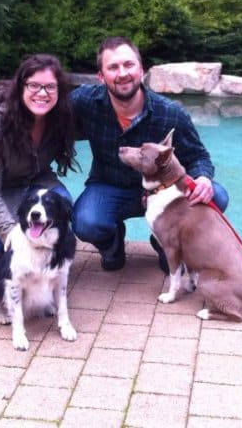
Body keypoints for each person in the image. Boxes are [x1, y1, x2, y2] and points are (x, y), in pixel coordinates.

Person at [71, 36, 229, 272]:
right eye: (113, 67)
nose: (122, 73)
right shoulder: (85, 101)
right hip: (110, 186)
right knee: (86, 222)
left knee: (216, 196)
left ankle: (163, 239)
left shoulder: (171, 113)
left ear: (141, 70)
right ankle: (113, 245)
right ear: (101, 77)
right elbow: (44, 108)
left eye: (129, 64)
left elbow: (198, 156)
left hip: (163, 193)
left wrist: (203, 177)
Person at [0, 54, 77, 271]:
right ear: (20, 87)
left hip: (32, 179)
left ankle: (46, 266)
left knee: (63, 206)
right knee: (13, 238)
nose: (42, 93)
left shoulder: (60, 115)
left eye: (50, 87)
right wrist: (7, 230)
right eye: (34, 85)